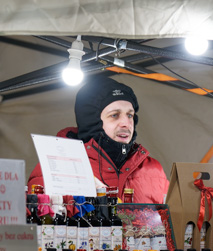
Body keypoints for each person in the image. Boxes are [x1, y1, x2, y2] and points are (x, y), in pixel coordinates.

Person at [27, 76, 169, 203]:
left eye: (130, 115)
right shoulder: (57, 165)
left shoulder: (154, 169)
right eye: (114, 115)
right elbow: (37, 219)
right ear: (93, 121)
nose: (126, 123)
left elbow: (173, 223)